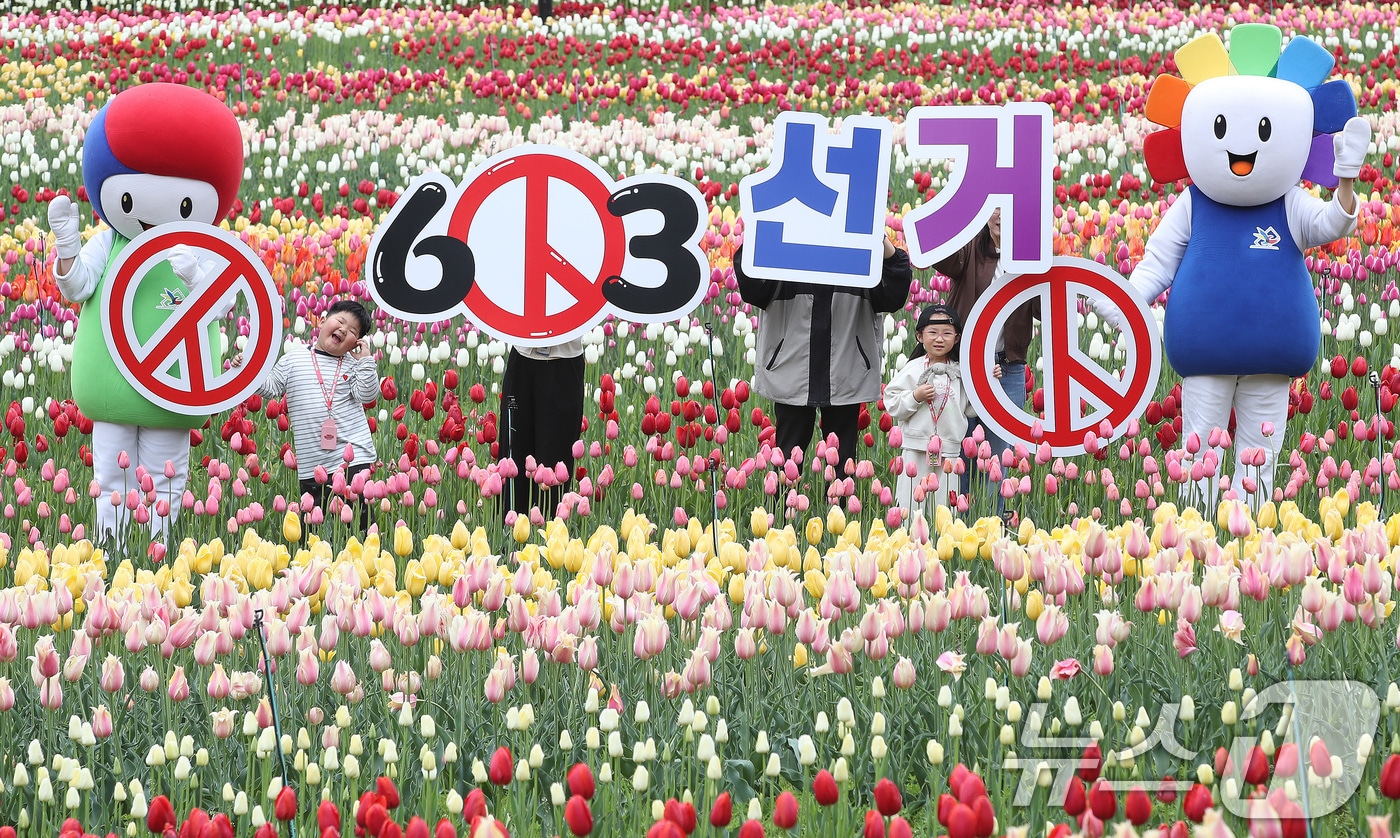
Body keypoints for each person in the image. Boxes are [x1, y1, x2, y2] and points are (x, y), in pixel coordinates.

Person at [48, 83, 244, 552]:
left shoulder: (204, 251)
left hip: (173, 385)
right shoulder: (109, 243)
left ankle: (158, 555)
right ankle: (113, 549)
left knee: (164, 474)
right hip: (115, 381)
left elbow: (226, 305)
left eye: (183, 206)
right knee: (111, 473)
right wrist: (69, 248)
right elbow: (79, 286)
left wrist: (197, 275)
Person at [735, 235, 912, 476]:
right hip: (791, 366)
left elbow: (894, 294)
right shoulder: (785, 239)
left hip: (846, 367)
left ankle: (839, 513)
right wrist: (763, 227)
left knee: (842, 468)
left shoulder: (858, 243)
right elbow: (752, 287)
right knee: (785, 464)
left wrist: (876, 234)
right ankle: (782, 513)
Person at [239, 300, 380, 532]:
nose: (344, 330)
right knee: (310, 531)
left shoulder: (353, 365)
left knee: (360, 527)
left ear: (356, 343)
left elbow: (367, 394)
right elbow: (271, 387)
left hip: (352, 457)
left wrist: (365, 360)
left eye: (353, 331)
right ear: (323, 321)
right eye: (341, 322)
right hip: (312, 463)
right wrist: (244, 370)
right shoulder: (294, 360)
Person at [937, 208, 1037, 520]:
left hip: (1007, 369)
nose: (1000, 214)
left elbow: (1042, 309)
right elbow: (941, 257)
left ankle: (993, 526)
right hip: (966, 367)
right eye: (993, 206)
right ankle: (958, 525)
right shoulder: (969, 251)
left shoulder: (1031, 261)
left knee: (999, 455)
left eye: (1009, 206)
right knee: (961, 447)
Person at [885, 305, 1000, 516]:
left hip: (949, 453)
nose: (939, 339)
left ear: (956, 338)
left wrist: (990, 380)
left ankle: (943, 545)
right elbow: (891, 402)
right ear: (919, 336)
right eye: (933, 333)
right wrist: (915, 397)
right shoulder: (913, 369)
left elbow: (972, 407)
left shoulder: (961, 372)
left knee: (944, 509)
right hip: (916, 449)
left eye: (947, 333)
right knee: (911, 506)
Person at [497, 338, 586, 520]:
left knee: (554, 468)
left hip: (565, 359)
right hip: (522, 356)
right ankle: (510, 544)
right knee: (514, 466)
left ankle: (549, 543)